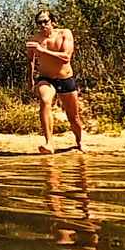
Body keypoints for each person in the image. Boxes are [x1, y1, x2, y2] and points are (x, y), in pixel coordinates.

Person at [26, 11, 85, 154]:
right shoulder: (34, 40)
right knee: (45, 101)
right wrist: (30, 79)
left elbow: (66, 57)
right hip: (46, 78)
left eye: (45, 21)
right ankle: (49, 143)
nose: (43, 25)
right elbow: (30, 60)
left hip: (65, 78)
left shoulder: (65, 34)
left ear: (52, 22)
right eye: (39, 23)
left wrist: (42, 51)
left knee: (73, 116)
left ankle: (80, 141)